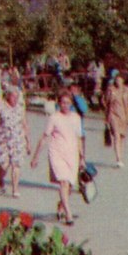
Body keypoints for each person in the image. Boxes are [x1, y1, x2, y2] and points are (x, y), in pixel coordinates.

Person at [32, 91, 86, 225]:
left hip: (72, 153)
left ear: (71, 104)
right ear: (59, 103)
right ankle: (69, 215)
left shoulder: (76, 118)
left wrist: (82, 157)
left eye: (68, 103)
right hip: (57, 152)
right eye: (62, 103)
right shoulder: (54, 117)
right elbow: (45, 137)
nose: (65, 105)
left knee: (70, 186)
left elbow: (79, 138)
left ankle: (61, 205)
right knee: (63, 182)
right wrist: (36, 156)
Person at [0, 86, 32, 198]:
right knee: (4, 165)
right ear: (8, 96)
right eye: (13, 96)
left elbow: (25, 125)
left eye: (17, 97)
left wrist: (28, 142)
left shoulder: (20, 108)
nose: (15, 99)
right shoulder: (0, 106)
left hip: (18, 139)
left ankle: (15, 189)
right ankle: (1, 179)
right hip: (3, 139)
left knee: (16, 164)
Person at [102, 70, 128, 168]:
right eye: (117, 80)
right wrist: (106, 116)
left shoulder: (127, 91)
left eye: (120, 80)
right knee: (116, 135)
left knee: (122, 137)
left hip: (124, 116)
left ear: (123, 81)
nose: (118, 82)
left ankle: (121, 156)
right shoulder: (111, 90)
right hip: (113, 115)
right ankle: (118, 159)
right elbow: (105, 102)